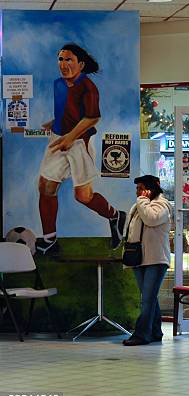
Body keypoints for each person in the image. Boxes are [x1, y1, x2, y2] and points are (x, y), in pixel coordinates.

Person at [37, 43, 126, 255]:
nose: (64, 64)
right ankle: (50, 240)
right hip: (59, 139)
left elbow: (93, 117)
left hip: (79, 142)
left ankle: (115, 216)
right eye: (60, 59)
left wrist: (71, 135)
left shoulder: (88, 87)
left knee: (83, 196)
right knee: (45, 187)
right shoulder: (58, 84)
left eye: (69, 60)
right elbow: (67, 112)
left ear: (80, 64)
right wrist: (54, 123)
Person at [122, 175, 172, 346]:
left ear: (150, 189)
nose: (138, 192)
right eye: (137, 189)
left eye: (141, 188)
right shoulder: (139, 205)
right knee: (149, 296)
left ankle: (141, 334)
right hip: (140, 258)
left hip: (156, 259)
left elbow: (152, 219)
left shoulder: (162, 204)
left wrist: (142, 202)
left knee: (147, 299)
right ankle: (156, 331)